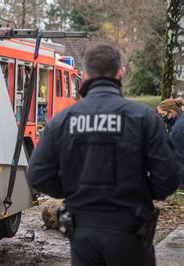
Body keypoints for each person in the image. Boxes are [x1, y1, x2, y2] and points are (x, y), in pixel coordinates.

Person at [26, 43, 183, 266]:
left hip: (83, 232)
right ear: (121, 73)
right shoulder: (143, 118)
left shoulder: (62, 121)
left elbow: (37, 174)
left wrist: (72, 189)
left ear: (84, 75)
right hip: (131, 230)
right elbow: (169, 177)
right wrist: (142, 191)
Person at [157, 98, 184, 187]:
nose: (162, 118)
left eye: (163, 114)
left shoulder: (178, 129)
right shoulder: (181, 119)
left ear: (172, 112)